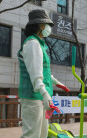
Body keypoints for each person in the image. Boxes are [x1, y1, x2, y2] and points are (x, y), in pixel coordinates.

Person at [17, 9, 68, 138]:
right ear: (40, 25)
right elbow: (35, 75)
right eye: (47, 25)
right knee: (32, 135)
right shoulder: (32, 44)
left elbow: (40, 71)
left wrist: (55, 81)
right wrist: (45, 94)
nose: (48, 28)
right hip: (33, 96)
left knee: (41, 134)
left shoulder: (38, 45)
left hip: (39, 96)